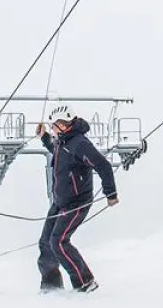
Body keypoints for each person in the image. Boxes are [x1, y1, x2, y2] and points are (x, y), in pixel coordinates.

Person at [36, 105, 119, 293]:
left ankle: (85, 282)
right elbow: (58, 151)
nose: (51, 129)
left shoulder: (80, 143)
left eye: (52, 125)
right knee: (46, 241)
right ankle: (51, 286)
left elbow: (103, 165)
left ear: (62, 125)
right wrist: (44, 138)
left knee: (58, 241)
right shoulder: (64, 141)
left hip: (77, 203)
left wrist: (111, 194)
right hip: (60, 201)